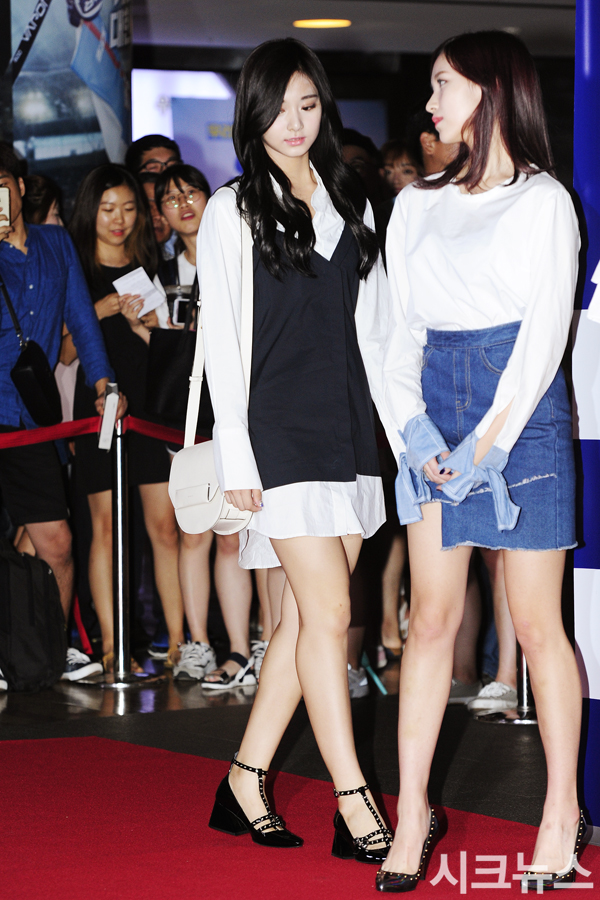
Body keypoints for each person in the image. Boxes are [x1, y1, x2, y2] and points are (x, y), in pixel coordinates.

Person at [379, 31, 582, 892]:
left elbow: (542, 344)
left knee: (536, 623)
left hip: (522, 420)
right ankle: (412, 810)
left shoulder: (545, 202)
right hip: (433, 408)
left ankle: (560, 810)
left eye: (443, 85)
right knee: (430, 618)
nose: (430, 103)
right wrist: (418, 436)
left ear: (491, 90)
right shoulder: (415, 204)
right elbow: (394, 335)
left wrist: (485, 446)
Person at [198, 38, 398, 858]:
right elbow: (222, 339)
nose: (294, 122)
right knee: (332, 616)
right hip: (276, 431)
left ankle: (244, 779)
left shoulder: (353, 197)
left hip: (350, 427)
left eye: (307, 105)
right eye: (278, 108)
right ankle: (355, 802)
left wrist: (401, 433)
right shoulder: (232, 208)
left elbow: (376, 331)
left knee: (305, 621)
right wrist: (236, 455)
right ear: (253, 113)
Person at [0, 142, 119, 681]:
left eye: (3, 186)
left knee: (56, 542)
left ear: (21, 186)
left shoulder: (55, 243)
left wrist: (103, 382)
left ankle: (47, 650)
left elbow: (81, 321)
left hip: (33, 418)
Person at [68, 164, 184, 672]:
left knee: (165, 528)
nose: (119, 220)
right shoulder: (76, 267)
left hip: (149, 406)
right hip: (99, 405)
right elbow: (64, 352)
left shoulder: (149, 265)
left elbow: (168, 346)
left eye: (130, 208)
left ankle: (179, 643)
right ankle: (114, 646)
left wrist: (146, 324)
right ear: (90, 210)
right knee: (105, 527)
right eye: (108, 209)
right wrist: (100, 309)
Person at [152, 163, 255, 687]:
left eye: (190, 192)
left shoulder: (239, 255)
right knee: (194, 527)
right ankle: (197, 643)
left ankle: (241, 648)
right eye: (171, 199)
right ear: (161, 214)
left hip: (239, 405)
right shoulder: (158, 273)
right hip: (184, 413)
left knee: (236, 533)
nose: (184, 204)